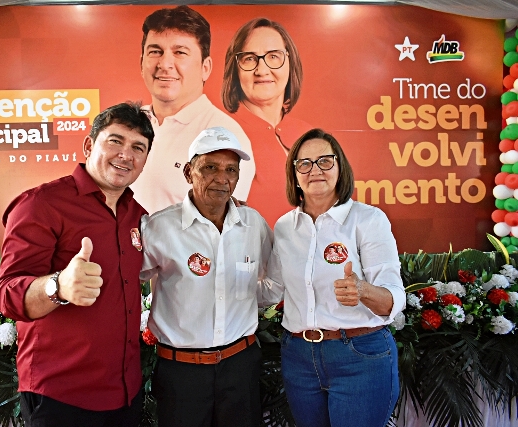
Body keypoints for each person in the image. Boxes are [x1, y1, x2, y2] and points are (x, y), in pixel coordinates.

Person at [0, 102, 154, 427]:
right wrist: (58, 286)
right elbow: (7, 296)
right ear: (88, 145)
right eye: (115, 141)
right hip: (61, 396)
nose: (126, 155)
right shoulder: (41, 204)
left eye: (138, 148)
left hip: (126, 393)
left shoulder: (138, 215)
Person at [263, 128, 405, 427]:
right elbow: (272, 290)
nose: (315, 170)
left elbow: (393, 299)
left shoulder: (368, 220)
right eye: (304, 163)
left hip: (360, 355)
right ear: (294, 175)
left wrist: (363, 290)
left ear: (341, 168)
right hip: (299, 357)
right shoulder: (285, 227)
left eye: (325, 161)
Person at [140, 126, 272, 427]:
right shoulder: (159, 227)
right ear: (189, 172)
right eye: (210, 167)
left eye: (231, 170)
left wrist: (249, 298)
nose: (222, 179)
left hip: (240, 368)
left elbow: (275, 278)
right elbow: (128, 283)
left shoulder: (253, 224)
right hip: (181, 373)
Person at [130, 5, 255, 214]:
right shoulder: (129, 123)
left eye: (180, 52)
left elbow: (223, 222)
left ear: (205, 68)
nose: (165, 64)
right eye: (155, 51)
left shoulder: (225, 134)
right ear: (142, 63)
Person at [222, 18, 312, 228]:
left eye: (273, 56)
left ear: (290, 62)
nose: (262, 70)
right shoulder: (223, 134)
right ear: (235, 69)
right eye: (249, 59)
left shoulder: (310, 135)